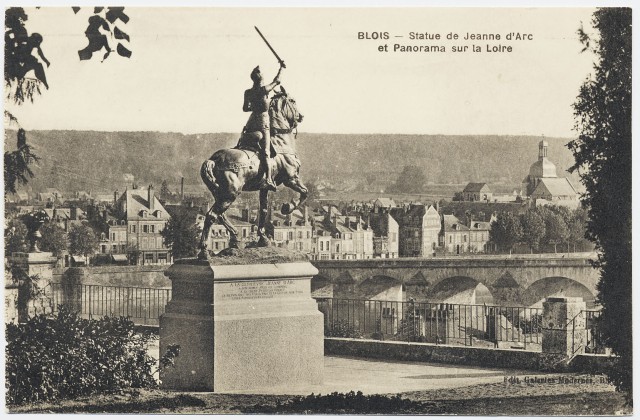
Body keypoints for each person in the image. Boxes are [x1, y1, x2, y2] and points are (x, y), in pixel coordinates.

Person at [242, 63, 284, 191]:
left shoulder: (248, 92)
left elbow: (245, 108)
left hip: (251, 122)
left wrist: (254, 107)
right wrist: (281, 68)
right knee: (266, 151)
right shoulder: (263, 90)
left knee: (243, 142)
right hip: (262, 122)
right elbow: (277, 81)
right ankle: (269, 179)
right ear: (260, 79)